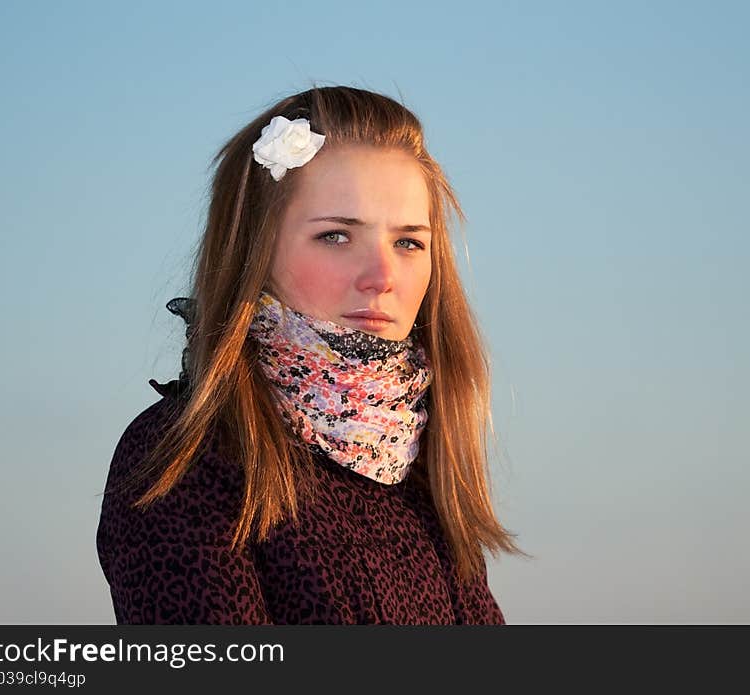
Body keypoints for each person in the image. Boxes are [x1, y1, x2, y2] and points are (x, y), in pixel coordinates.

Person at [96, 85, 523, 624]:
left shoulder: (415, 463)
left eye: (409, 242)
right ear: (255, 248)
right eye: (336, 237)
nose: (383, 278)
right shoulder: (184, 456)